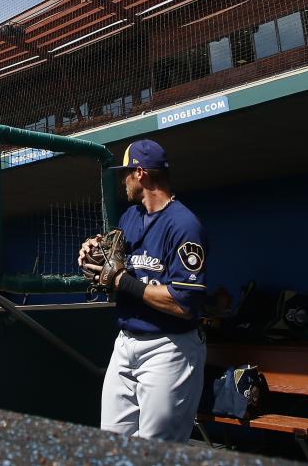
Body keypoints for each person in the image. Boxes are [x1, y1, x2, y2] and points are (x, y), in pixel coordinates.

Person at [79, 139, 208, 442]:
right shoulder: (130, 217)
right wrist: (94, 250)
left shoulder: (185, 225)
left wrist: (122, 281)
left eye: (125, 173)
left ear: (140, 174)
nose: (122, 180)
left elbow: (183, 303)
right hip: (125, 343)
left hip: (169, 347)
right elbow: (115, 265)